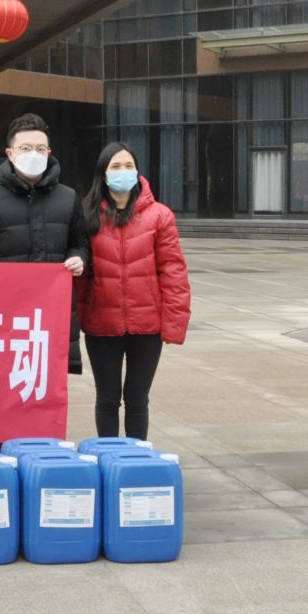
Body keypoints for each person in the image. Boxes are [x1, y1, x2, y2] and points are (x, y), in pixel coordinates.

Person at [76, 141, 191, 440]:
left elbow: (173, 271)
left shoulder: (159, 215)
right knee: (107, 398)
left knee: (138, 399)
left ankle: (136, 457)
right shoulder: (87, 215)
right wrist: (74, 321)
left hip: (147, 326)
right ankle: (108, 456)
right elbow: (80, 277)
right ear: (103, 174)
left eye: (129, 166)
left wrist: (174, 324)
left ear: (138, 171)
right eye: (115, 166)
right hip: (102, 324)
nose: (123, 171)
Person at [0, 112, 90, 373]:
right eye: (25, 148)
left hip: (52, 311)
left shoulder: (68, 198)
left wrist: (78, 258)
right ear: (10, 153)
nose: (33, 154)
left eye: (40, 149)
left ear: (49, 153)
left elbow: (80, 243)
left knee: (50, 382)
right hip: (4, 313)